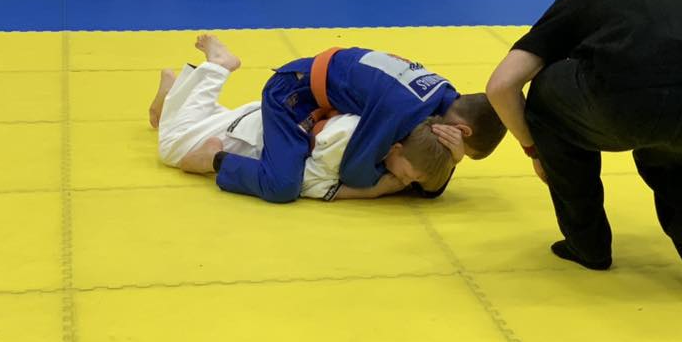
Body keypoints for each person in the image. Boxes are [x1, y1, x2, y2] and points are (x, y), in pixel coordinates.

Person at [485, 0, 682, 289]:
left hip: (632, 98)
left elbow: (501, 87)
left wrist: (536, 150)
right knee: (681, 149)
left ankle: (586, 242)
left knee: (545, 94)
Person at [175, 44, 506, 203]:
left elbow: (426, 177)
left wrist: (448, 161)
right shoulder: (404, 109)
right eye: (460, 150)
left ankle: (177, 94)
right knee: (282, 186)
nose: (449, 154)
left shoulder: (443, 94)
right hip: (291, 94)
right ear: (461, 131)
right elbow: (355, 173)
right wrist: (384, 187)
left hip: (318, 90)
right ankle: (216, 160)